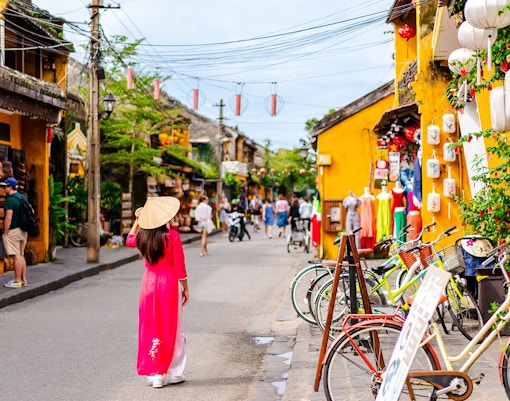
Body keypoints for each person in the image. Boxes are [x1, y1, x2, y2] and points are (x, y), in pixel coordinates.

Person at [126, 197, 189, 388]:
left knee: (150, 326)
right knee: (170, 327)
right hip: (168, 286)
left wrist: (138, 219)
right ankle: (170, 372)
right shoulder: (173, 237)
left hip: (148, 286)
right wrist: (186, 288)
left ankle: (156, 373)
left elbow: (129, 239)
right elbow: (180, 267)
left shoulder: (143, 238)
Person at [2, 177, 28, 288]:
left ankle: (17, 280)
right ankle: (23, 280)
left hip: (14, 230)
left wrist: (5, 232)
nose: (4, 189)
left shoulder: (10, 200)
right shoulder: (23, 198)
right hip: (23, 230)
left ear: (10, 187)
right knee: (21, 255)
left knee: (16, 255)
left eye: (5, 186)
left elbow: (8, 218)